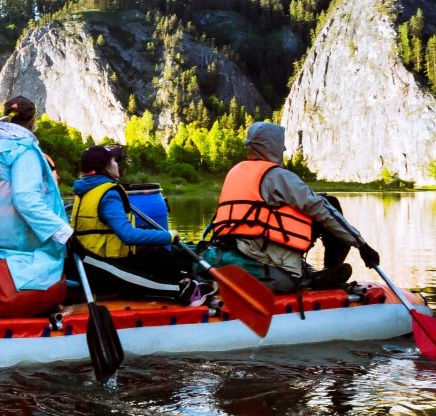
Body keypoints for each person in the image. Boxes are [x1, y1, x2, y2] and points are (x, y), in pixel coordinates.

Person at [203, 121, 381, 292]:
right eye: (281, 145)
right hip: (258, 249)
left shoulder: (235, 172)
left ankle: (324, 272)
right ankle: (326, 271)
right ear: (271, 146)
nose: (284, 149)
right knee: (329, 204)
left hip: (233, 243)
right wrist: (361, 245)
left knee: (320, 204)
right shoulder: (277, 176)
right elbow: (319, 207)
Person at [0, 96, 73, 295]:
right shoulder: (23, 150)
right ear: (33, 121)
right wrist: (63, 233)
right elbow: (26, 199)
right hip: (16, 250)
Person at [70, 144, 202, 302]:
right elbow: (128, 235)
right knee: (161, 256)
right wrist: (167, 236)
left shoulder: (84, 191)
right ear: (106, 167)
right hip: (104, 264)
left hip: (88, 261)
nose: (117, 164)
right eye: (114, 161)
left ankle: (182, 281)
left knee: (155, 252)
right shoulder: (108, 194)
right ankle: (183, 293)